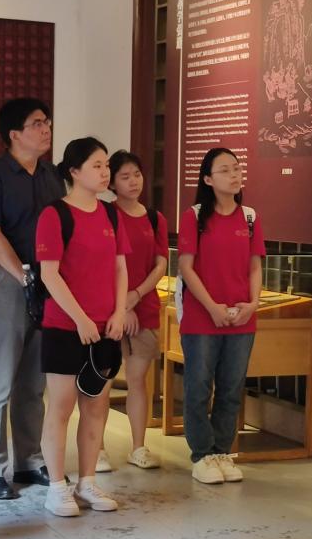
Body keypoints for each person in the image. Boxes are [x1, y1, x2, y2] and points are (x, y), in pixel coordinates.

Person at [0, 98, 65, 500]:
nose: (46, 129)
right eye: (37, 123)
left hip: (48, 281)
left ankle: (29, 459)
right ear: (14, 134)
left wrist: (47, 280)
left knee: (33, 380)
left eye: (47, 122)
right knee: (0, 378)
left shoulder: (51, 175)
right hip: (6, 281)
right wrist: (24, 276)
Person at [35, 137, 130, 517]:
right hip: (64, 326)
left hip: (106, 329)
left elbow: (120, 267)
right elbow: (50, 274)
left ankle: (87, 482)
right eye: (96, 165)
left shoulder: (110, 214)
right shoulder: (54, 214)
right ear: (74, 172)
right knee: (61, 407)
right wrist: (80, 319)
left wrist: (119, 312)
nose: (105, 172)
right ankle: (56, 486)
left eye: (106, 165)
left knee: (96, 405)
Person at [177, 147, 265, 485]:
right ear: (208, 179)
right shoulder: (194, 216)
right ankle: (202, 454)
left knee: (231, 388)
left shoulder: (250, 217)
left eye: (237, 168)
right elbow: (186, 267)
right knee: (199, 387)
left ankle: (222, 451)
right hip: (202, 318)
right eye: (225, 170)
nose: (234, 175)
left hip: (242, 318)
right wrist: (212, 307)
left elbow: (255, 266)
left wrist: (253, 303)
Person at [99, 150, 167, 471]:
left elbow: (161, 264)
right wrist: (121, 305)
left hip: (146, 307)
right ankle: (97, 448)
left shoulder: (155, 218)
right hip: (107, 309)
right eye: (125, 176)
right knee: (103, 381)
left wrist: (136, 296)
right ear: (112, 183)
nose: (133, 181)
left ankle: (139, 447)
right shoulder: (105, 214)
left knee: (138, 380)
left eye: (137, 174)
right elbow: (103, 263)